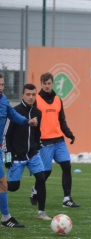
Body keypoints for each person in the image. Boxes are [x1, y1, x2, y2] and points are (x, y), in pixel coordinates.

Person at [29, 73, 80, 208]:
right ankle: (35, 190)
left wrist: (69, 134)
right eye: (44, 83)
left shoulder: (58, 99)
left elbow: (61, 120)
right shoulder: (36, 100)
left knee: (67, 166)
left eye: (49, 83)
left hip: (59, 140)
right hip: (44, 142)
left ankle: (67, 199)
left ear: (53, 83)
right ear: (41, 84)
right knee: (46, 172)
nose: (47, 85)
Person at [3, 84, 51, 220]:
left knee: (41, 179)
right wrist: (7, 156)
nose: (31, 97)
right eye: (28, 94)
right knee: (13, 187)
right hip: (17, 155)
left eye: (33, 94)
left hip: (33, 154)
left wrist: (38, 145)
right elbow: (6, 135)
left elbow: (37, 133)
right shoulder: (13, 112)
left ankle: (41, 213)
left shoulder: (38, 113)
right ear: (22, 96)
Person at [0, 74, 38, 227]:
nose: (1, 87)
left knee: (3, 184)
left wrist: (26, 121)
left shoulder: (3, 100)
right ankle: (6, 218)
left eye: (2, 84)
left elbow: (12, 114)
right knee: (3, 184)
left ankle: (6, 218)